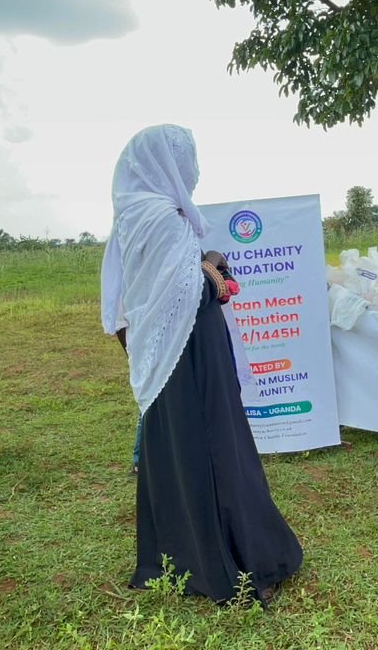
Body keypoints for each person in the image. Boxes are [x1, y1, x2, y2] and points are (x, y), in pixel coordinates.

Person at [100, 125, 302, 604]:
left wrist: (202, 267)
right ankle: (242, 564)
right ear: (167, 164)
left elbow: (129, 297)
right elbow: (186, 293)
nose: (193, 170)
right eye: (187, 159)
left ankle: (178, 557)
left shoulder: (131, 215)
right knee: (217, 445)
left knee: (177, 449)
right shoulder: (164, 218)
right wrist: (213, 263)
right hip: (191, 351)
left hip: (160, 352)